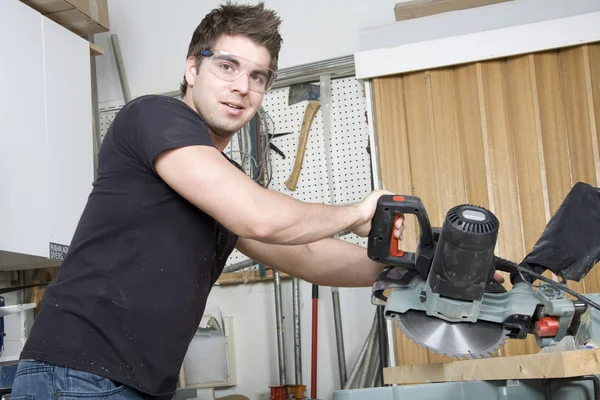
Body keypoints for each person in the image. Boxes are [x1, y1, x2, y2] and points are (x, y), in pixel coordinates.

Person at [10, 2, 404, 399]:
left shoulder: (222, 181)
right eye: (227, 66)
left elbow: (308, 256)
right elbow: (261, 219)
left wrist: (408, 272)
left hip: (130, 384)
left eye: (258, 77)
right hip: (79, 376)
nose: (242, 87)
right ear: (192, 69)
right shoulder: (153, 116)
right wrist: (357, 213)